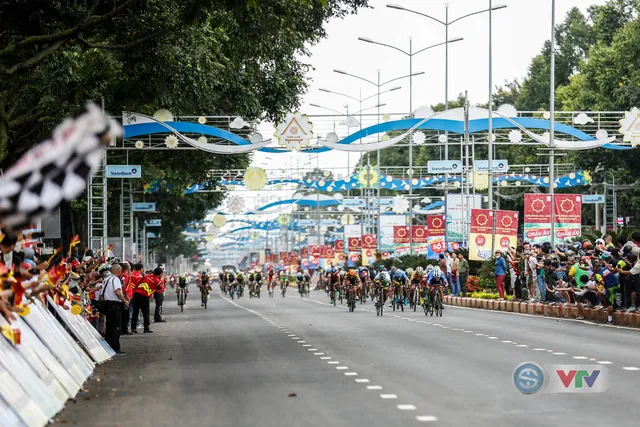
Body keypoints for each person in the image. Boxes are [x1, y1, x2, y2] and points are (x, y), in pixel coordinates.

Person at [101, 264, 129, 355]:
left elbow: (102, 295)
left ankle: (108, 346)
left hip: (107, 304)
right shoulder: (115, 279)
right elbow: (117, 292)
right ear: (119, 272)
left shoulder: (106, 279)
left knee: (109, 327)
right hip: (115, 305)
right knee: (116, 327)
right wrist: (124, 301)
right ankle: (115, 347)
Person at [131, 267, 163, 333]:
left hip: (137, 294)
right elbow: (161, 289)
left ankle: (133, 328)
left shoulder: (146, 276)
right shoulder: (157, 281)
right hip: (145, 297)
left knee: (135, 312)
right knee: (146, 313)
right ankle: (146, 328)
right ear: (160, 274)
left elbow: (139, 282)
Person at [120, 262, 133, 335]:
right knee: (125, 314)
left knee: (125, 314)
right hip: (126, 297)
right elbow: (123, 286)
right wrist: (125, 295)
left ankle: (124, 329)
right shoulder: (124, 276)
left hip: (127, 296)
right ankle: (124, 329)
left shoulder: (125, 275)